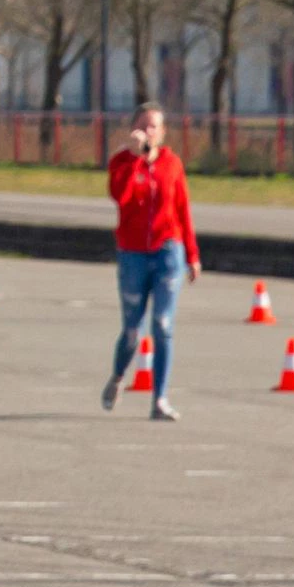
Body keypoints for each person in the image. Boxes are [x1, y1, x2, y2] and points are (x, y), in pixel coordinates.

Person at [104, 103, 201, 421]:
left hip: (167, 250)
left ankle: (159, 399)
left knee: (162, 325)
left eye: (153, 127)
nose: (148, 132)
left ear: (162, 132)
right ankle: (118, 375)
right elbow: (121, 196)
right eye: (142, 126)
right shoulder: (121, 162)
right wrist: (135, 159)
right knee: (132, 329)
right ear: (132, 129)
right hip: (132, 253)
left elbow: (182, 208)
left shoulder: (172, 164)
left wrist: (192, 254)